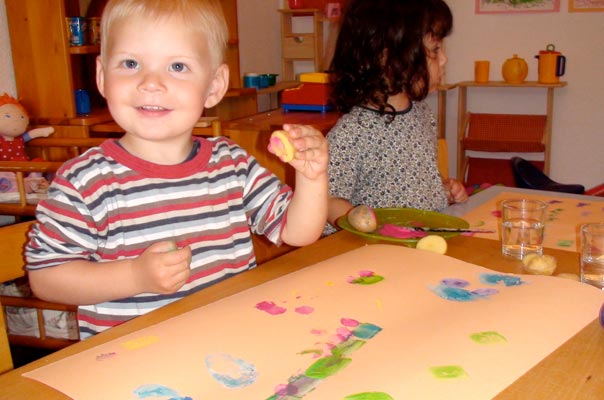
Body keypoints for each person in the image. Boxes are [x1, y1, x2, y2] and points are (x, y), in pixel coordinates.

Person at [25, 0, 328, 339]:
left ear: (213, 86)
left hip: (231, 349)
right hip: (133, 367)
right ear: (102, 76)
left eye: (178, 67)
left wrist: (312, 176)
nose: (151, 82)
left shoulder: (232, 164)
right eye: (130, 63)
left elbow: (298, 232)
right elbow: (45, 277)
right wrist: (135, 277)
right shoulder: (84, 182)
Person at [324, 0, 467, 234]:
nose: (444, 59)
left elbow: (416, 178)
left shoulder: (422, 114)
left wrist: (442, 188)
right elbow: (327, 201)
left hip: (423, 246)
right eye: (434, 49)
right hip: (378, 257)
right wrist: (362, 223)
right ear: (387, 58)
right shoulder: (352, 132)